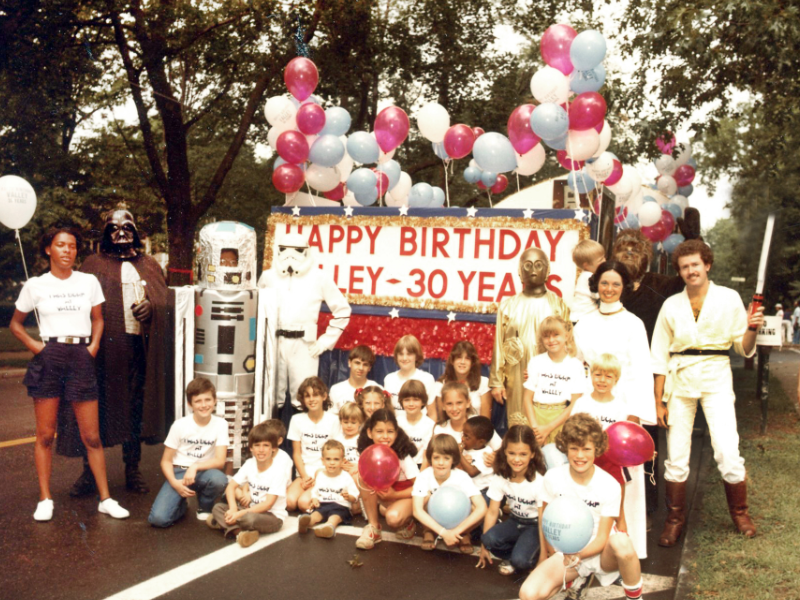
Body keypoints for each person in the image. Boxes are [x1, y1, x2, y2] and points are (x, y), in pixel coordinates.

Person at [11, 225, 129, 521]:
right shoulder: (35, 285)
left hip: (80, 356)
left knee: (91, 435)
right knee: (45, 435)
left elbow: (98, 319)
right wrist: (37, 347)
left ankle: (105, 499)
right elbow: (15, 324)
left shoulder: (88, 281)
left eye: (73, 246)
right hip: (50, 355)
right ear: (49, 249)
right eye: (61, 245)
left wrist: (92, 348)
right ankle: (45, 498)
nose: (67, 250)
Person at [652, 240, 763, 544]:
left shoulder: (728, 299)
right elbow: (659, 355)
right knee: (675, 454)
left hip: (716, 376)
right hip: (680, 380)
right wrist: (659, 401)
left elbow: (744, 347)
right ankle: (674, 519)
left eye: (696, 265)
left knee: (727, 449)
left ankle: (740, 514)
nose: (691, 271)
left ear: (707, 265)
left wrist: (752, 327)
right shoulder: (671, 305)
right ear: (680, 270)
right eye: (685, 266)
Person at [61, 209, 170, 497]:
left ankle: (132, 469)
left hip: (137, 350)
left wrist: (153, 307)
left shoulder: (148, 264)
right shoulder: (92, 265)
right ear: (105, 234)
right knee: (95, 410)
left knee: (133, 410)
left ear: (136, 232)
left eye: (127, 228)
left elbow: (164, 299)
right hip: (102, 352)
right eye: (114, 229)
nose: (121, 234)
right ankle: (88, 472)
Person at [519, 413, 644, 600]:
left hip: (601, 553)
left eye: (586, 449)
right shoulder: (553, 478)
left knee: (622, 542)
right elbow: (545, 520)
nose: (579, 456)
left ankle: (635, 598)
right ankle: (574, 580)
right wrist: (549, 553)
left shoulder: (609, 484)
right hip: (568, 552)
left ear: (596, 450)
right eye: (574, 448)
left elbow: (602, 538)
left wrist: (578, 555)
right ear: (565, 448)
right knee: (528, 594)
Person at [258, 232, 351, 411]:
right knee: (269, 397)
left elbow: (343, 310)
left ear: (306, 251)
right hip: (274, 342)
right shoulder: (268, 277)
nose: (290, 255)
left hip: (304, 345)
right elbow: (257, 309)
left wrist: (325, 341)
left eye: (296, 250)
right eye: (284, 250)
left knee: (305, 397)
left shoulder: (319, 277)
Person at [490, 247, 571, 428]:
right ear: (519, 272)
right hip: (516, 374)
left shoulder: (558, 305)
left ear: (547, 270)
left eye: (538, 265)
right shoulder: (508, 306)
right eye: (527, 265)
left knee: (545, 425)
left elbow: (568, 343)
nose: (533, 270)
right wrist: (496, 382)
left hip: (550, 376)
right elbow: (499, 344)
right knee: (519, 427)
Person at [571, 354, 645, 554]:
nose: (602, 380)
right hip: (584, 460)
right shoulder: (581, 404)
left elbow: (627, 439)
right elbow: (572, 432)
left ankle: (622, 534)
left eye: (608, 376)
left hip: (611, 461)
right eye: (597, 374)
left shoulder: (621, 407)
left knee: (617, 499)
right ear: (591, 376)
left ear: (616, 380)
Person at [148, 377, 228, 527]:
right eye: (198, 401)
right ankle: (182, 505)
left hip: (204, 472)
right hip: (179, 474)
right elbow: (166, 461)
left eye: (207, 400)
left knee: (219, 480)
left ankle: (205, 506)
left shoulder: (221, 424)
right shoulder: (179, 425)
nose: (204, 405)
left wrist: (195, 466)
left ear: (215, 400)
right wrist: (174, 483)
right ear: (190, 404)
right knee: (158, 519)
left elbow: (220, 461)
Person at [477, 425, 546, 576]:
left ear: (532, 454)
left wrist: (543, 558)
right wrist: (484, 547)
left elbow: (543, 521)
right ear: (505, 453)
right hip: (515, 521)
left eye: (523, 454)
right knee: (488, 538)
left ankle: (530, 553)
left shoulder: (539, 482)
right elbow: (492, 512)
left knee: (521, 562)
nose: (516, 459)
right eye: (512, 453)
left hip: (534, 526)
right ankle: (515, 555)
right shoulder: (501, 476)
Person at [208, 421, 288, 547]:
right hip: (249, 509)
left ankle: (225, 524)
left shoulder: (279, 470)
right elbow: (231, 487)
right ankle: (240, 533)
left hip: (271, 516)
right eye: (257, 445)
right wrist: (234, 508)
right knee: (218, 508)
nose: (261, 450)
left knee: (249, 519)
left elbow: (268, 504)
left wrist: (239, 514)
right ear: (251, 448)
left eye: (266, 445)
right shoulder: (249, 463)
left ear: (273, 448)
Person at [355, 409, 419, 550]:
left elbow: (421, 488)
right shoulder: (369, 452)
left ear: (396, 433)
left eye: (390, 431)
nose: (385, 436)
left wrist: (395, 495)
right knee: (362, 477)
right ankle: (373, 527)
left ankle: (408, 522)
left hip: (408, 496)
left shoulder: (403, 455)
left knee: (393, 518)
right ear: (370, 433)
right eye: (379, 431)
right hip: (388, 496)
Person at [412, 433, 487, 553]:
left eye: (446, 458)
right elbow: (416, 510)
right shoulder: (424, 476)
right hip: (435, 519)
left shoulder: (461, 476)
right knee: (424, 498)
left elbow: (482, 507)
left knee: (476, 507)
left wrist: (454, 532)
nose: (441, 463)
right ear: (430, 457)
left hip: (458, 522)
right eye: (436, 458)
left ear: (453, 459)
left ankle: (463, 534)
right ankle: (429, 531)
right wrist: (444, 533)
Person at [522, 316, 585, 446]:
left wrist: (548, 428)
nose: (551, 340)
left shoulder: (575, 365)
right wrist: (536, 429)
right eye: (546, 336)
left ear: (566, 336)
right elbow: (527, 398)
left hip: (560, 419)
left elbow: (575, 403)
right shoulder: (536, 361)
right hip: (536, 417)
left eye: (556, 335)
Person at [286, 376, 339, 512]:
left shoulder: (333, 420)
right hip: (304, 473)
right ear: (302, 399)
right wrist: (304, 477)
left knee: (303, 503)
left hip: (325, 472)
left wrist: (320, 477)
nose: (311, 399)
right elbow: (296, 453)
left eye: (315, 395)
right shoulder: (296, 420)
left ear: (324, 396)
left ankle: (327, 502)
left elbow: (336, 453)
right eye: (307, 396)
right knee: (289, 502)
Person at [298, 439, 360, 538]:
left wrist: (349, 497)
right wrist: (314, 500)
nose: (332, 463)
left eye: (336, 459)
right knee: (316, 514)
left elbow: (355, 495)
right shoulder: (321, 475)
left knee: (334, 516)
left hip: (340, 506)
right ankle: (307, 523)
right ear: (323, 460)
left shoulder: (346, 476)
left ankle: (329, 526)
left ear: (342, 461)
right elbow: (315, 491)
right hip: (323, 504)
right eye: (328, 459)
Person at [432, 382, 502, 451]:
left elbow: (500, 448)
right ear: (443, 406)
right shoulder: (440, 430)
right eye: (449, 404)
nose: (454, 408)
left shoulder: (479, 424)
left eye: (459, 403)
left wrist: (494, 457)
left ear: (468, 402)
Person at [433, 341, 491, 421]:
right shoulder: (440, 385)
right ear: (452, 361)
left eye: (467, 358)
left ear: (472, 362)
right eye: (459, 358)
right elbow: (442, 419)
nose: (462, 362)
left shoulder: (483, 383)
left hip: (477, 431)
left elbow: (485, 420)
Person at [383, 335, 436, 413]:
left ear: (416, 356)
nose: (404, 358)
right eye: (401, 354)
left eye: (409, 354)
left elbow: (432, 414)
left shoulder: (427, 379)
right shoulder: (389, 379)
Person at [395, 380, 436, 466]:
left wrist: (419, 478)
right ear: (401, 401)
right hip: (400, 466)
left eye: (416, 400)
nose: (411, 404)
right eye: (407, 400)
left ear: (423, 402)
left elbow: (426, 457)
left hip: (421, 467)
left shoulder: (430, 425)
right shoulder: (397, 423)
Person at [329, 345, 378, 415]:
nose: (361, 368)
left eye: (365, 364)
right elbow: (333, 419)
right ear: (349, 363)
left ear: (369, 368)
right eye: (357, 363)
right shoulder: (336, 390)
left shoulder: (376, 388)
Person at [458, 416, 496, 505]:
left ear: (480, 442)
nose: (463, 438)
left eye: (467, 437)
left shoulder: (486, 454)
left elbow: (472, 472)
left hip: (483, 492)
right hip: (467, 490)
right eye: (463, 434)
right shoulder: (465, 449)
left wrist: (458, 454)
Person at [571, 239, 606, 323]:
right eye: (600, 260)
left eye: (604, 257)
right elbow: (597, 295)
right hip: (582, 318)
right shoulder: (588, 277)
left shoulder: (585, 275)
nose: (604, 261)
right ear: (586, 265)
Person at [332, 402, 365, 477]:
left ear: (360, 422)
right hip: (340, 472)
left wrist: (358, 467)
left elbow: (368, 460)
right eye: (346, 422)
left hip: (357, 472)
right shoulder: (337, 440)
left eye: (353, 423)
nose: (349, 426)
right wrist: (339, 464)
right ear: (341, 421)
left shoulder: (362, 439)